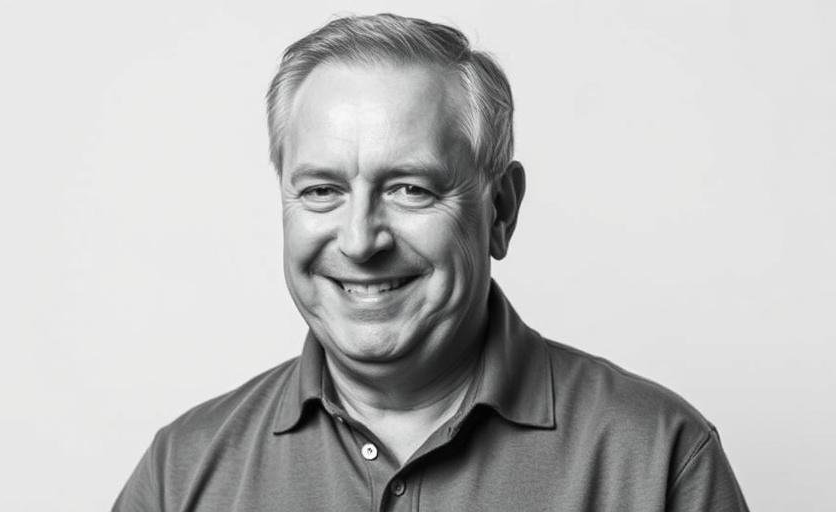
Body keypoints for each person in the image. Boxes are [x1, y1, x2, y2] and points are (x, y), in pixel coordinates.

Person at [113, 13, 749, 511]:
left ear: (500, 210)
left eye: (410, 188)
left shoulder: (659, 459)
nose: (360, 241)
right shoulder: (182, 473)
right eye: (321, 190)